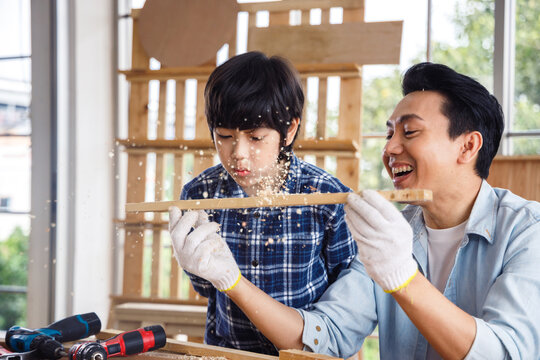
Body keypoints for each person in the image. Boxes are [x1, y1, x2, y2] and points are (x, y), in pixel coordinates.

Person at [170, 61, 540, 359]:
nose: (390, 148)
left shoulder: (527, 232)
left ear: (468, 146)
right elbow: (322, 337)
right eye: (389, 133)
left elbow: (509, 353)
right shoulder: (390, 235)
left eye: (409, 133)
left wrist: (404, 280)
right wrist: (230, 281)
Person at [168, 51, 357, 355]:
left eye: (255, 138)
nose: (238, 153)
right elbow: (206, 289)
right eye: (225, 135)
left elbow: (346, 296)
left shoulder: (325, 195)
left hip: (304, 354)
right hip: (228, 352)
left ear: (289, 130)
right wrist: (190, 261)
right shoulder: (199, 195)